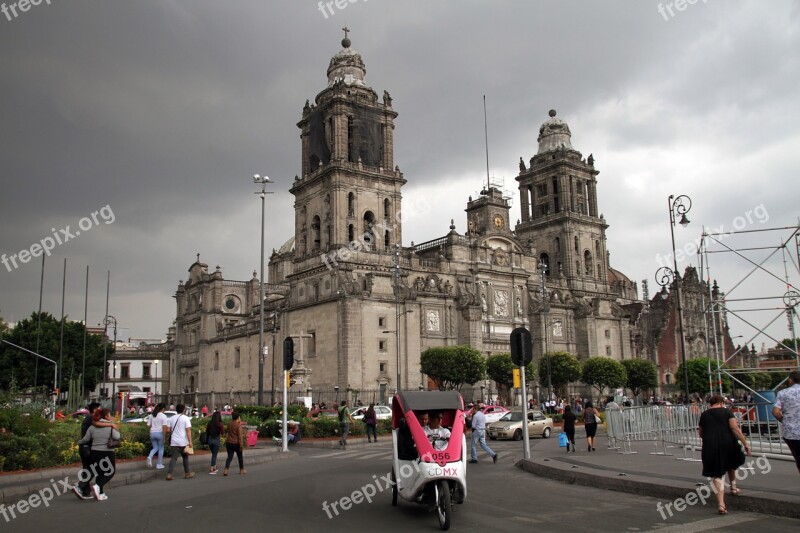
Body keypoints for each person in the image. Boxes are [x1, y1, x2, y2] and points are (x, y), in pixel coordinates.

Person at [698, 394, 751, 514]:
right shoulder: (727, 412)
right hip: (728, 443)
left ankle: (721, 504)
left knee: (717, 474)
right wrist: (745, 443)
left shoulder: (704, 414)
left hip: (710, 445)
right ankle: (733, 486)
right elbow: (735, 428)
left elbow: (701, 433)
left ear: (710, 403)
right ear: (722, 403)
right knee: (732, 464)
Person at [72, 402, 116, 500]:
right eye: (99, 410)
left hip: (85, 447)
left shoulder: (88, 418)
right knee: (93, 469)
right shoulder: (91, 419)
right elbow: (98, 425)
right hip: (88, 448)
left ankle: (85, 491)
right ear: (95, 410)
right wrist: (112, 424)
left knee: (89, 468)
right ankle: (80, 486)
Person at [773, 370, 800, 475]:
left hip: (791, 432)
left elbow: (776, 412)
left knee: (798, 458)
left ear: (790, 380)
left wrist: (785, 420)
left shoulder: (783, 393)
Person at [166, 404, 194, 480]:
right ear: (184, 410)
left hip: (174, 441)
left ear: (176, 409)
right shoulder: (185, 418)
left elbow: (168, 430)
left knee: (174, 458)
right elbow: (188, 430)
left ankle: (169, 474)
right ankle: (187, 473)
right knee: (185, 457)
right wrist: (190, 442)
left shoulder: (171, 418)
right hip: (183, 441)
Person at [223, 410, 246, 475]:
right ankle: (241, 470)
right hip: (236, 443)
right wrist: (241, 445)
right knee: (240, 457)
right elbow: (240, 436)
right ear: (238, 417)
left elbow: (227, 432)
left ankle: (226, 470)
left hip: (229, 442)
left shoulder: (229, 424)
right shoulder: (238, 426)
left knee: (229, 457)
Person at [147, 403, 169, 469]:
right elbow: (164, 427)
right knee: (161, 448)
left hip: (152, 433)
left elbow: (148, 425)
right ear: (162, 409)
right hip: (160, 433)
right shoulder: (163, 416)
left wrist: (150, 432)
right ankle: (159, 464)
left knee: (155, 448)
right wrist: (164, 437)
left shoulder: (152, 415)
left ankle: (150, 456)